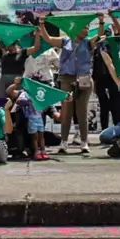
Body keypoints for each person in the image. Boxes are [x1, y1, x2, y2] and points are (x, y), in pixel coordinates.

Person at [38, 18, 95, 154]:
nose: (86, 30)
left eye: (88, 28)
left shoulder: (88, 43)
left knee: (82, 112)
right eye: (84, 27)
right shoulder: (65, 41)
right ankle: (64, 143)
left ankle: (84, 142)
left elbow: (100, 34)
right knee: (67, 111)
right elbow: (48, 39)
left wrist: (101, 22)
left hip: (84, 79)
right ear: (77, 28)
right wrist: (41, 24)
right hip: (66, 79)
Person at [0, 24, 41, 98]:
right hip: (3, 82)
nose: (3, 47)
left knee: (16, 103)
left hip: (17, 81)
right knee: (1, 102)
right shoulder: (2, 53)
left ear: (12, 44)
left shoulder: (22, 52)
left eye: (5, 45)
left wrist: (37, 35)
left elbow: (36, 47)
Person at [6, 76, 52, 160]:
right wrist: (29, 101)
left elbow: (46, 104)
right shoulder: (25, 93)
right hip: (31, 118)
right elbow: (18, 100)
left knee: (41, 136)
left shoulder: (41, 93)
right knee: (35, 137)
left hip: (39, 118)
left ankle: (43, 151)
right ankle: (36, 152)